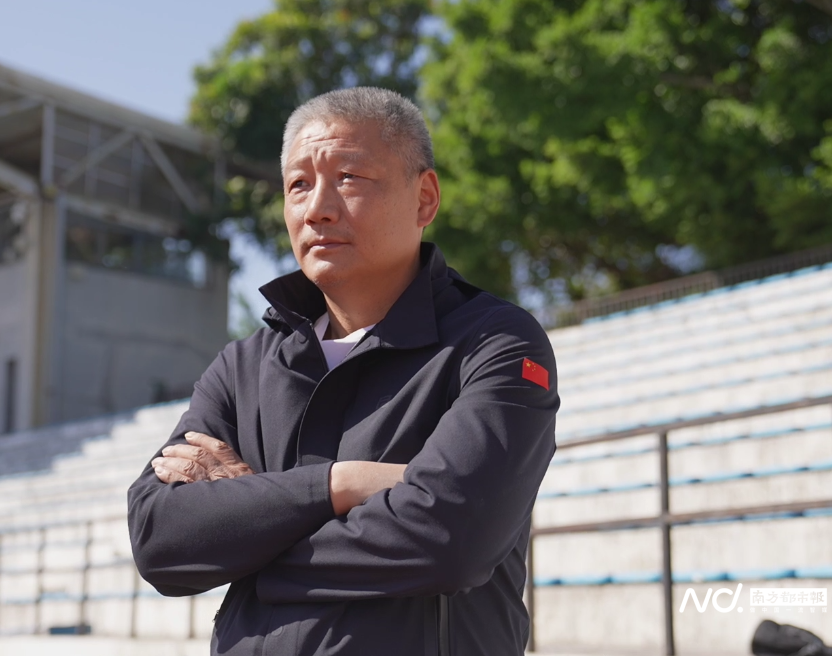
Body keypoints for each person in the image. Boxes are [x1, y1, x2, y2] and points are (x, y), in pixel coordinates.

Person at [127, 86, 559, 656]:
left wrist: (252, 534)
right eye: (298, 185)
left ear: (424, 198)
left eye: (349, 177)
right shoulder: (242, 365)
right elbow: (160, 540)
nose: (317, 209)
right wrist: (344, 484)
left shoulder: (495, 342)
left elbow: (451, 540)